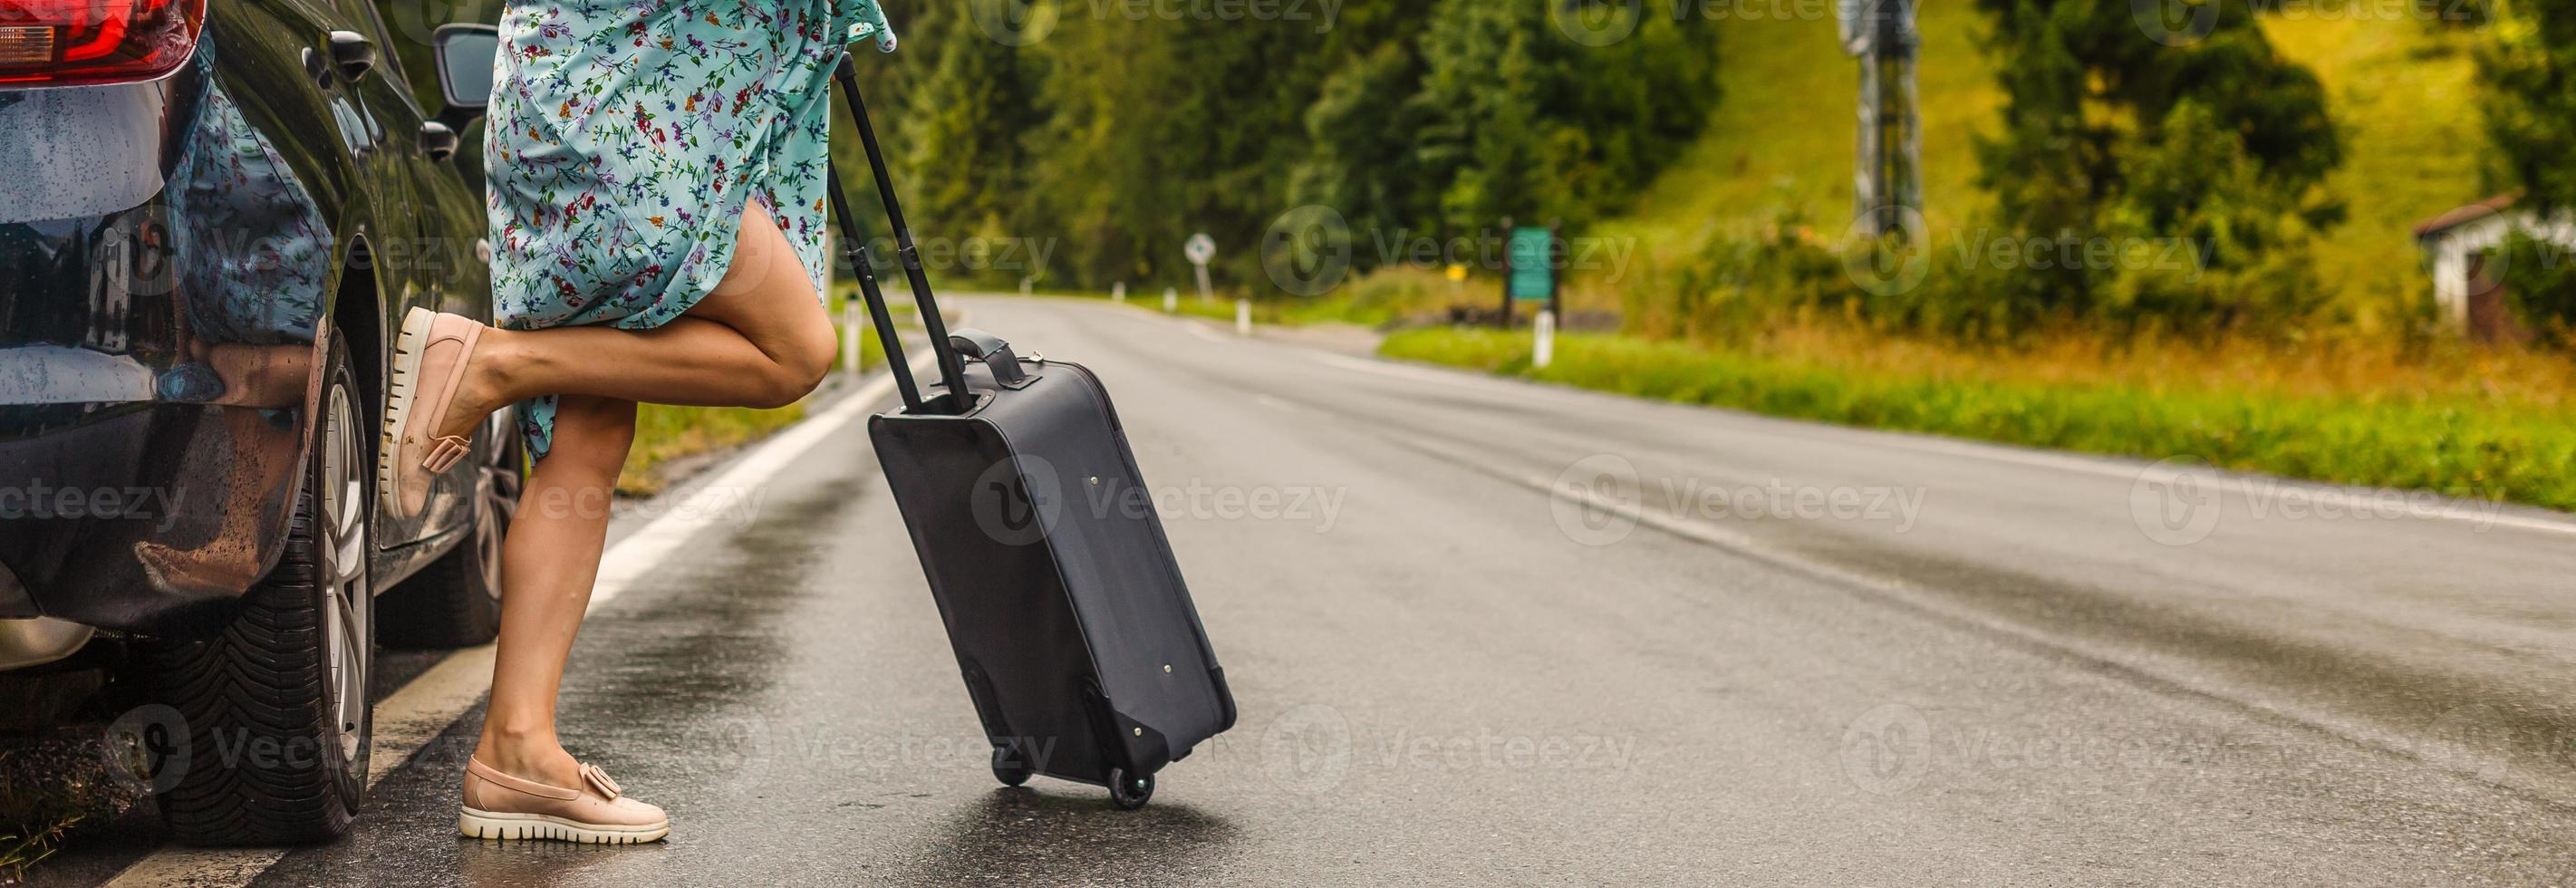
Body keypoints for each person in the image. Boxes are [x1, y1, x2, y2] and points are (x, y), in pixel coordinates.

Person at [382, 2, 899, 845]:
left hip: (598, 101)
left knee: (590, 433)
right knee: (795, 351)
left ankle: (515, 750)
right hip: (628, 121)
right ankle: (497, 364)